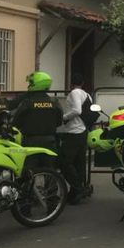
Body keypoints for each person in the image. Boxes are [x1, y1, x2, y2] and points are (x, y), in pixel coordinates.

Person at [10, 72, 62, 155]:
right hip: (50, 141)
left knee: (30, 167)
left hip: (31, 142)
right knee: (49, 167)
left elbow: (16, 122)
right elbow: (59, 122)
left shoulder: (27, 103)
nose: (28, 85)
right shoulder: (54, 102)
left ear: (36, 84)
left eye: (30, 83)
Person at [58, 73, 91, 204]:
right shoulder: (86, 94)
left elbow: (77, 110)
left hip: (74, 131)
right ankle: (75, 193)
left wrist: (64, 117)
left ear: (71, 84)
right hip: (83, 131)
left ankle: (78, 188)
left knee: (64, 162)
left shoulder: (75, 93)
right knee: (79, 163)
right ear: (82, 83)